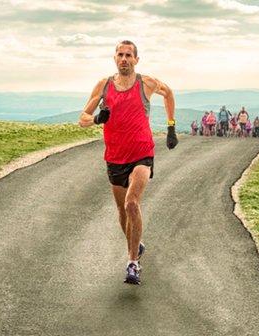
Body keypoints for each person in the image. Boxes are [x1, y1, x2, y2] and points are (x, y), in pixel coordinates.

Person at [78, 40, 178, 285]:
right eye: (120, 55)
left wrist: (171, 126)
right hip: (114, 156)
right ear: (115, 59)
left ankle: (133, 262)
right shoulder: (103, 86)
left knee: (132, 204)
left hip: (142, 153)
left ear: (136, 60)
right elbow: (82, 118)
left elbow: (169, 93)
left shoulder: (147, 83)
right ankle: (137, 245)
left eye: (128, 55)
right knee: (122, 211)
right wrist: (97, 119)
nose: (124, 59)